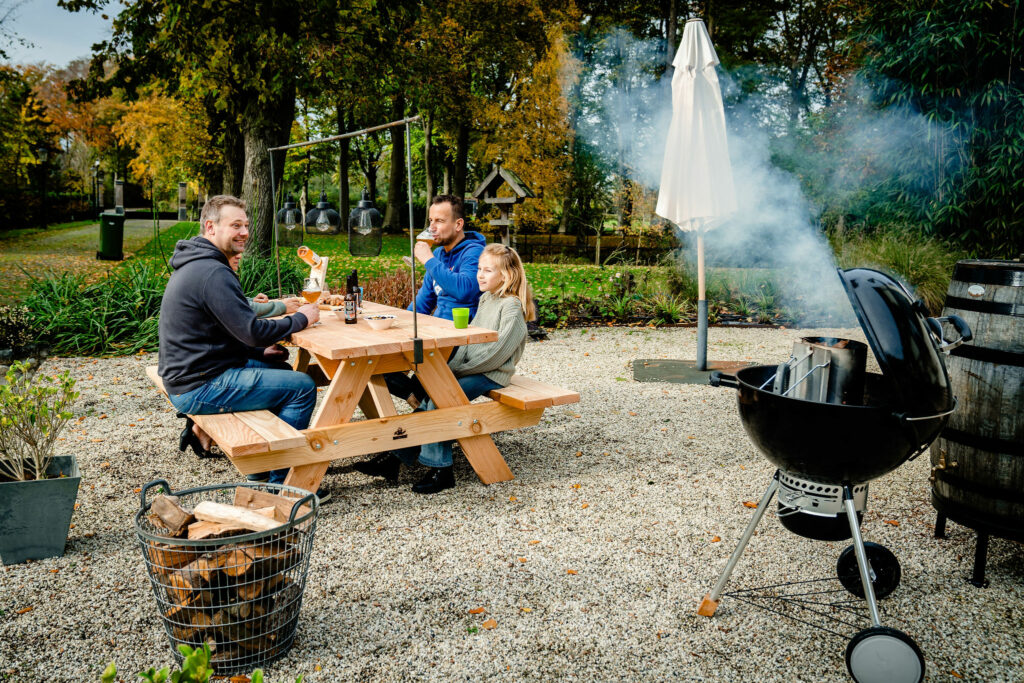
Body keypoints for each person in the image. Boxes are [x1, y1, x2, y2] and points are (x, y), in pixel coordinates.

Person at [158, 195, 320, 486]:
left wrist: (257, 350)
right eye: (236, 225)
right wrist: (303, 319)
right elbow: (251, 330)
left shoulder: (200, 264)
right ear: (211, 227)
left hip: (196, 372)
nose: (244, 232)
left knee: (282, 373)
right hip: (199, 384)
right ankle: (280, 482)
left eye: (246, 225)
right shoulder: (212, 272)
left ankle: (259, 469)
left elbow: (222, 331)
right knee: (303, 387)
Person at [357, 243, 534, 494]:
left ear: (506, 276)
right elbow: (468, 341)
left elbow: (497, 354)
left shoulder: (512, 308)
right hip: (472, 369)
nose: (480, 275)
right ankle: (396, 460)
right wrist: (449, 368)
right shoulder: (487, 299)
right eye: (479, 269)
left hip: (490, 374)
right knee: (433, 394)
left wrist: (456, 372)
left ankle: (439, 470)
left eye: (488, 271)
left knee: (440, 401)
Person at [385, 194, 487, 407]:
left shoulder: (474, 252)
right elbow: (423, 302)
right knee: (379, 364)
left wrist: (428, 260)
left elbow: (465, 290)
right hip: (436, 337)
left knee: (417, 376)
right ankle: (422, 403)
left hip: (461, 340)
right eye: (431, 221)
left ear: (458, 224)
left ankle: (426, 408)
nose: (432, 227)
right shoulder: (439, 254)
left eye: (439, 221)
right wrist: (397, 324)